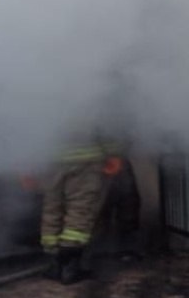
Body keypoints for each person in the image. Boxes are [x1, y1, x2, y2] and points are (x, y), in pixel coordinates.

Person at [39, 121, 125, 284]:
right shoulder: (90, 97)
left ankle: (54, 264)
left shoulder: (39, 96)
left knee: (52, 208)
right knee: (80, 209)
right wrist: (114, 152)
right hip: (86, 161)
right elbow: (105, 124)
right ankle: (70, 268)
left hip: (51, 160)